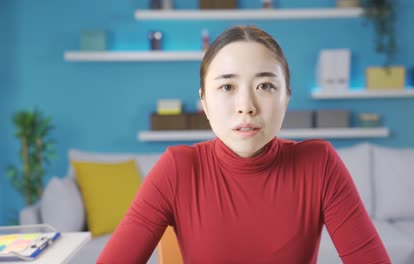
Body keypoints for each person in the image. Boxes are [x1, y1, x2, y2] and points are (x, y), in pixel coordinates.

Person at [97, 25, 391, 263]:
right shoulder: (177, 168)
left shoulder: (320, 164)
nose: (246, 107)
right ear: (204, 102)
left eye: (265, 86)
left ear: (286, 97)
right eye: (227, 86)